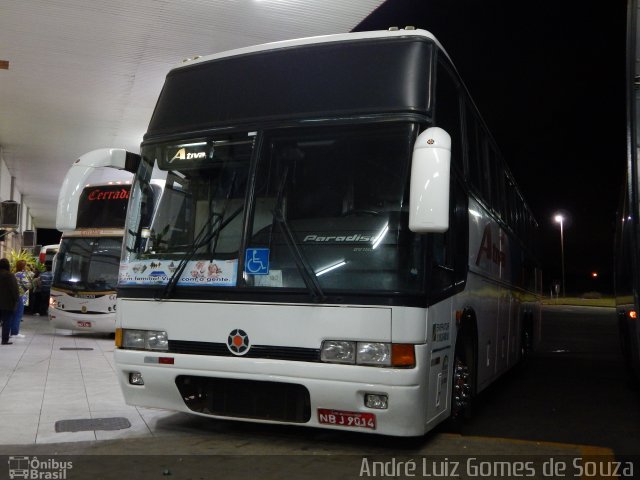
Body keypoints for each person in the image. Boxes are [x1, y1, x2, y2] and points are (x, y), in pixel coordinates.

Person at [11, 259, 32, 338]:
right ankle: (15, 332)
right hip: (20, 295)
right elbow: (28, 285)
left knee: (13, 314)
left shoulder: (14, 274)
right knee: (18, 314)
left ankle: (11, 331)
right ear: (23, 266)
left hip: (14, 296)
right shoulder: (22, 274)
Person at [0, 258, 19, 345]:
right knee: (6, 321)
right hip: (7, 303)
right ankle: (4, 340)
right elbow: (14, 289)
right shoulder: (10, 276)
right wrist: (16, 299)